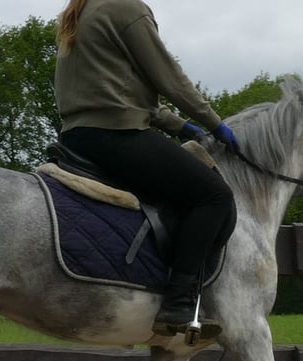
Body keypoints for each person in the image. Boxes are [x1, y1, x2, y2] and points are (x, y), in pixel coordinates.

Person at [54, 0, 239, 340]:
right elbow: (170, 78)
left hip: (77, 135)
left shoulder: (84, 10)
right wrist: (214, 123)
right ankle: (178, 303)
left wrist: (181, 126)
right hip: (115, 133)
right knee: (214, 196)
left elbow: (124, 91)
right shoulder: (127, 7)